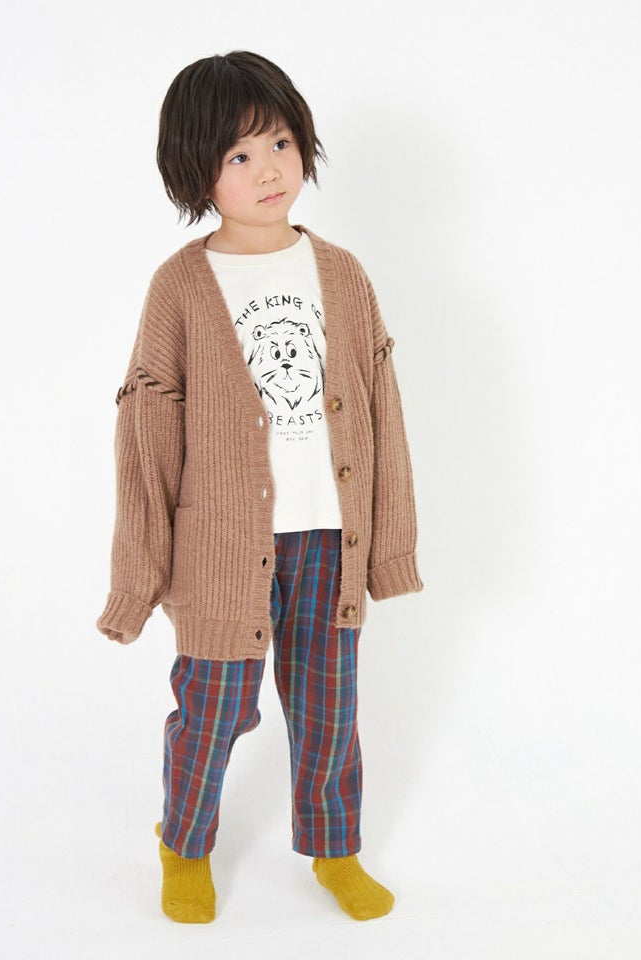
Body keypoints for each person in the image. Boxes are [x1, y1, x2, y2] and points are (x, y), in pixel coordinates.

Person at [95, 49, 424, 924]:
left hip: (329, 538)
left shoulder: (342, 275)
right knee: (215, 708)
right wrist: (139, 577)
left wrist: (389, 549)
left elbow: (383, 415)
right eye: (238, 154)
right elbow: (146, 439)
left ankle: (336, 850)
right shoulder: (180, 288)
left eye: (279, 142)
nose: (268, 168)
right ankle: (184, 842)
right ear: (195, 171)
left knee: (328, 708)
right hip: (219, 548)